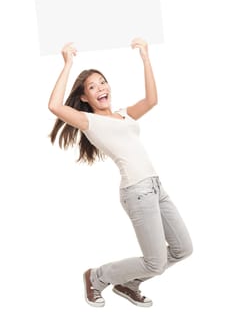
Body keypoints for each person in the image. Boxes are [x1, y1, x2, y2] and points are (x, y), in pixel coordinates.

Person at [48, 38, 193, 308]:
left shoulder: (123, 115)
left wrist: (145, 56)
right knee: (155, 262)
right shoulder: (90, 121)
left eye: (102, 82)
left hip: (156, 188)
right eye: (92, 87)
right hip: (136, 192)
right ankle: (97, 277)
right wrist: (68, 64)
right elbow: (55, 106)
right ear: (84, 97)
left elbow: (152, 100)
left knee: (183, 249)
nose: (100, 88)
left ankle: (129, 283)